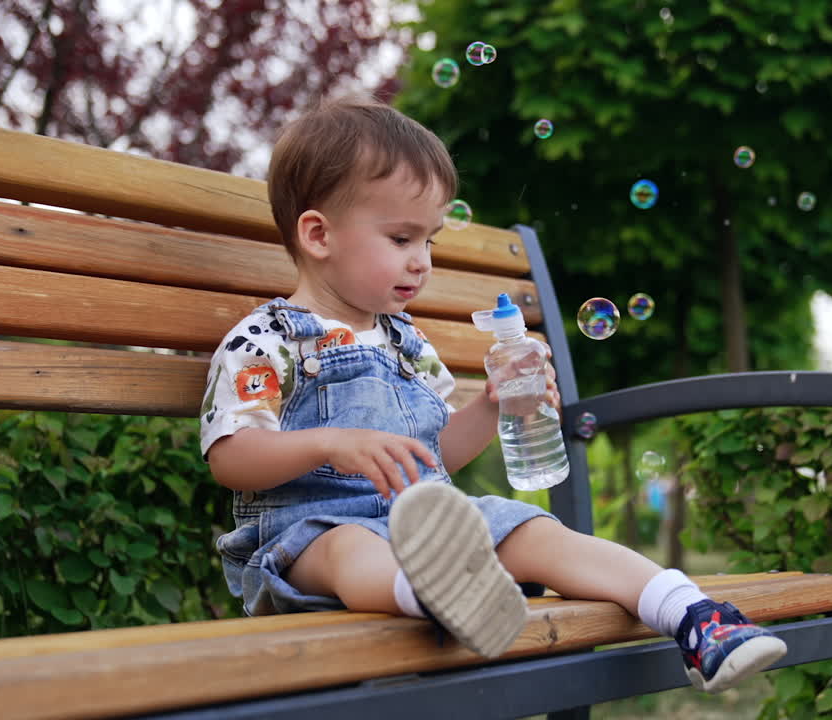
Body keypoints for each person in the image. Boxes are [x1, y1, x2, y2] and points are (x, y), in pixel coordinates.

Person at [199, 96, 787, 692]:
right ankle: (443, 593)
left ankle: (695, 617)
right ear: (319, 234)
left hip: (433, 519)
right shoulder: (267, 340)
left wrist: (492, 405)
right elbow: (231, 457)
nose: (422, 262)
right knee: (350, 547)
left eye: (429, 241)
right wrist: (329, 442)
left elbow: (437, 455)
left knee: (536, 531)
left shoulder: (406, 342)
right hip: (311, 534)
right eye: (402, 238)